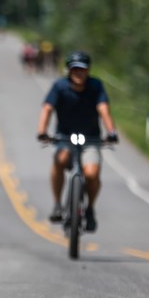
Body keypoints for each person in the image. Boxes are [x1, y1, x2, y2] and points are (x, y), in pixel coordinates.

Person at [36, 50, 119, 232]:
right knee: (60, 160)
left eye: (82, 69)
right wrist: (42, 130)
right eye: (75, 70)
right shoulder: (59, 86)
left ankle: (89, 210)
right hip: (64, 137)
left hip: (91, 139)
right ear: (68, 71)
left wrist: (111, 131)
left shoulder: (96, 86)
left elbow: (103, 109)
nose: (79, 73)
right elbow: (47, 108)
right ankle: (58, 204)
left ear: (88, 70)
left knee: (91, 174)